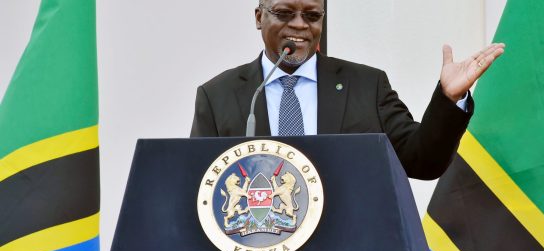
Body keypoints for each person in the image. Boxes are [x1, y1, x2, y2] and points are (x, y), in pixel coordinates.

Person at [190, 0, 505, 180]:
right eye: (285, 12)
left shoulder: (366, 85)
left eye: (312, 15)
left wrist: (449, 100)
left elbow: (422, 162)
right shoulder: (218, 96)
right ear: (259, 17)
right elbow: (199, 185)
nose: (300, 25)